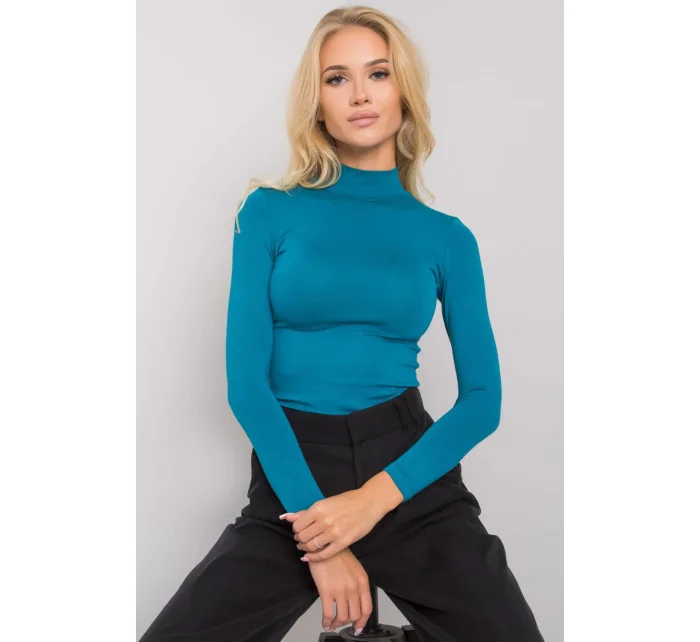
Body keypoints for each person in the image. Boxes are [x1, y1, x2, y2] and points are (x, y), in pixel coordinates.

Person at [139, 5, 545, 641]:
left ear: (403, 92)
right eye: (337, 78)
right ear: (317, 102)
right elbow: (247, 387)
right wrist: (322, 540)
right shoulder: (267, 212)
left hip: (407, 474)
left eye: (378, 73)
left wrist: (370, 503)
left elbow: (483, 401)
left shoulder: (447, 238)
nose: (359, 94)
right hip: (294, 477)